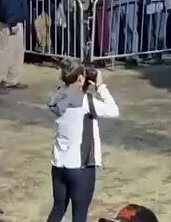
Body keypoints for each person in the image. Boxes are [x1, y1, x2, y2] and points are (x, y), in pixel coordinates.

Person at [48, 60, 120, 222]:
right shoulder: (87, 102)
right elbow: (114, 111)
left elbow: (65, 93)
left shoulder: (56, 98)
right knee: (79, 215)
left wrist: (79, 83)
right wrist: (100, 86)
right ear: (80, 78)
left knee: (58, 209)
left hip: (58, 165)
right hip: (81, 167)